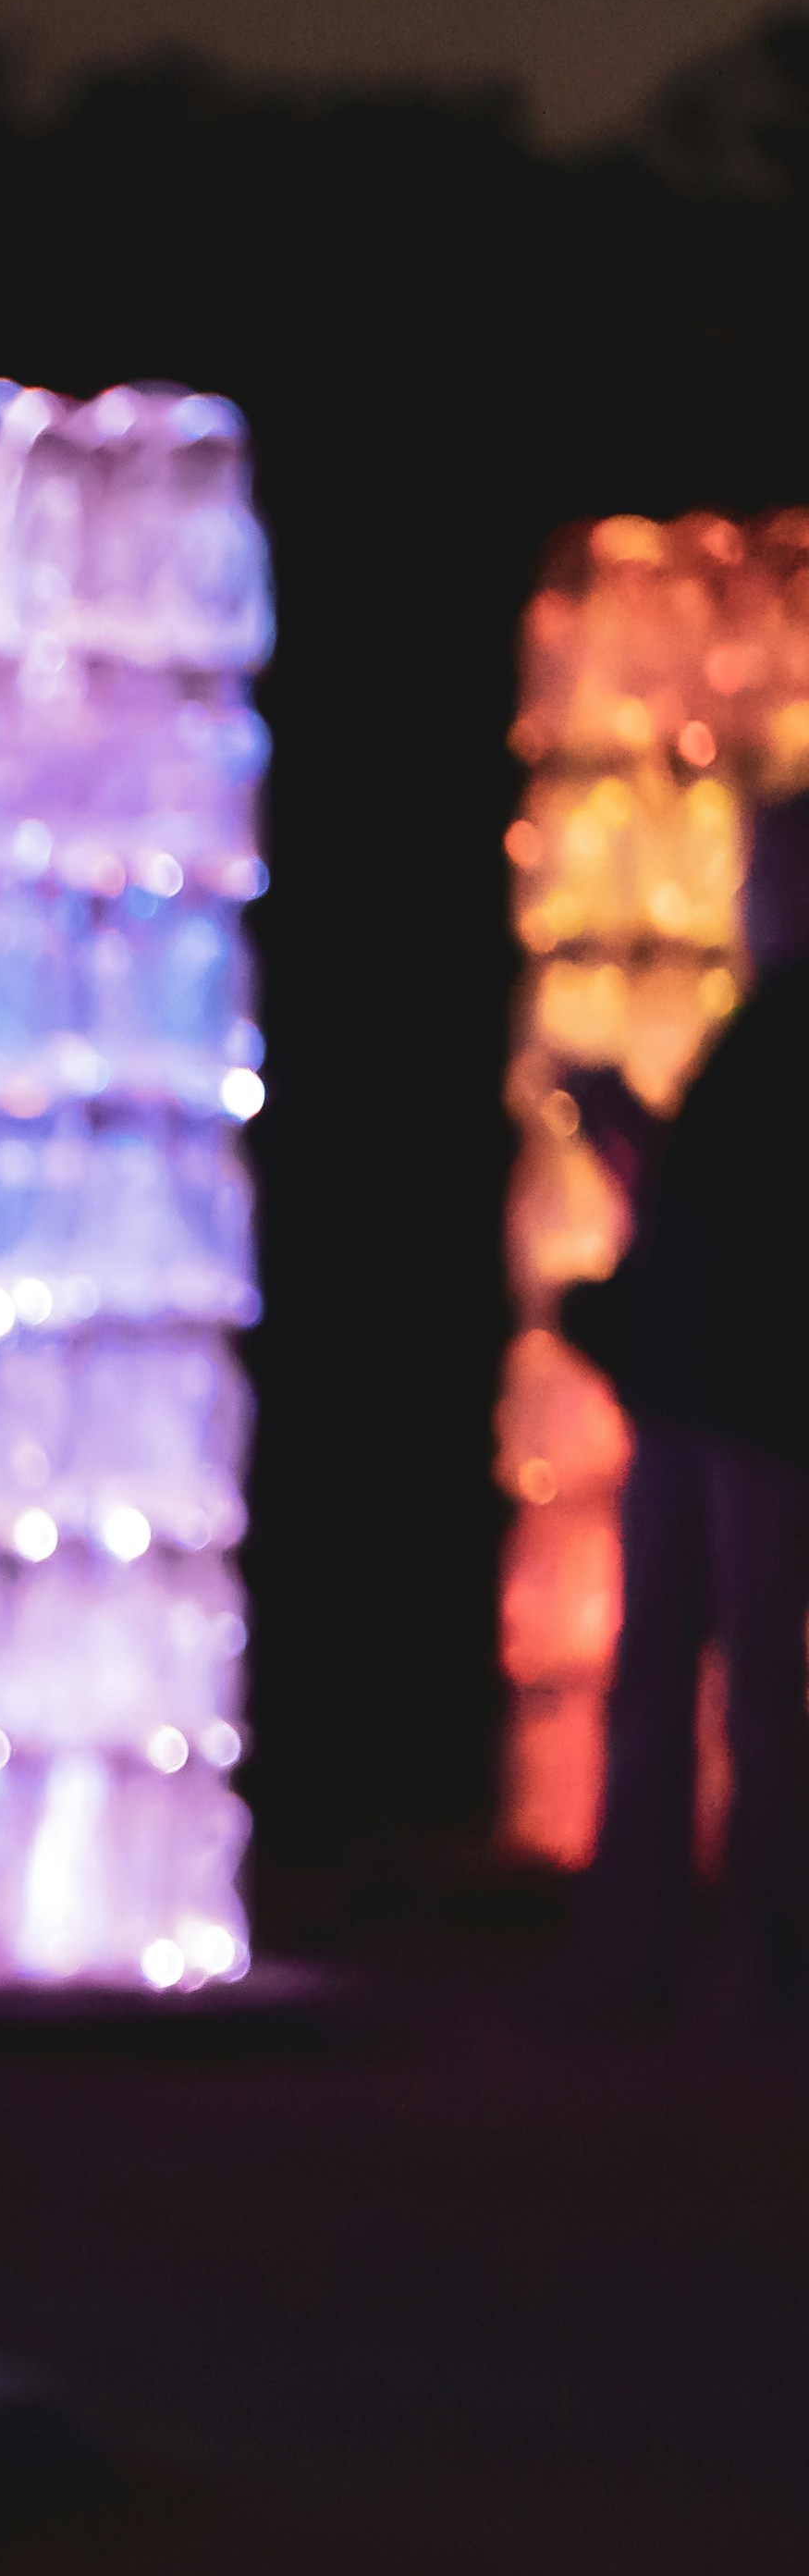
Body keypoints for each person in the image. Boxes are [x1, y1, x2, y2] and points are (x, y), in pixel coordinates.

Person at [563, 815, 809, 2018]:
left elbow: (726, 1215)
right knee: (686, 1681)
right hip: (716, 1401)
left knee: (726, 1687)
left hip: (744, 1405)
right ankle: (677, 1955)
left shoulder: (777, 1036)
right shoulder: (759, 1032)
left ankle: (727, 1957)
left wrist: (623, 1135)